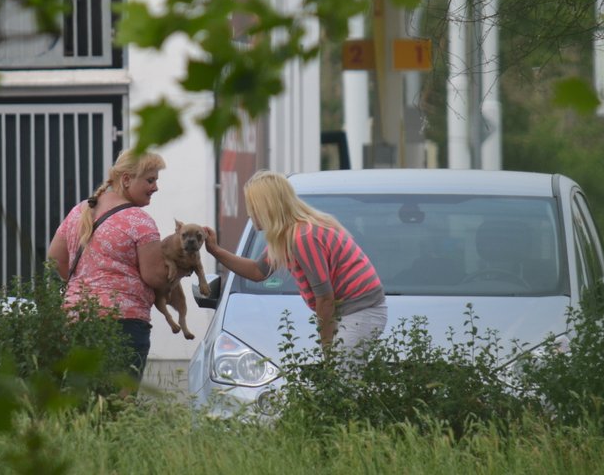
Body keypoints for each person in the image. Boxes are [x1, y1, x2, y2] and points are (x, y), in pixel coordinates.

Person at [204, 170, 387, 357]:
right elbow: (258, 271)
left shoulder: (302, 237)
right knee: (343, 378)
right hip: (354, 310)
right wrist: (215, 250)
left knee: (339, 377)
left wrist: (327, 352)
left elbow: (324, 298)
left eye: (252, 207)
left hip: (361, 310)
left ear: (267, 207)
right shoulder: (287, 236)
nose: (250, 214)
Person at [48, 148, 169, 383]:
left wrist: (84, 287)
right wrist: (178, 270)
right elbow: (155, 277)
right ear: (126, 180)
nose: (155, 187)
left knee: (80, 400)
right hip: (123, 324)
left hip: (76, 320)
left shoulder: (80, 210)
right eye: (150, 180)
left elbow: (55, 259)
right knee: (118, 404)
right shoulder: (139, 220)